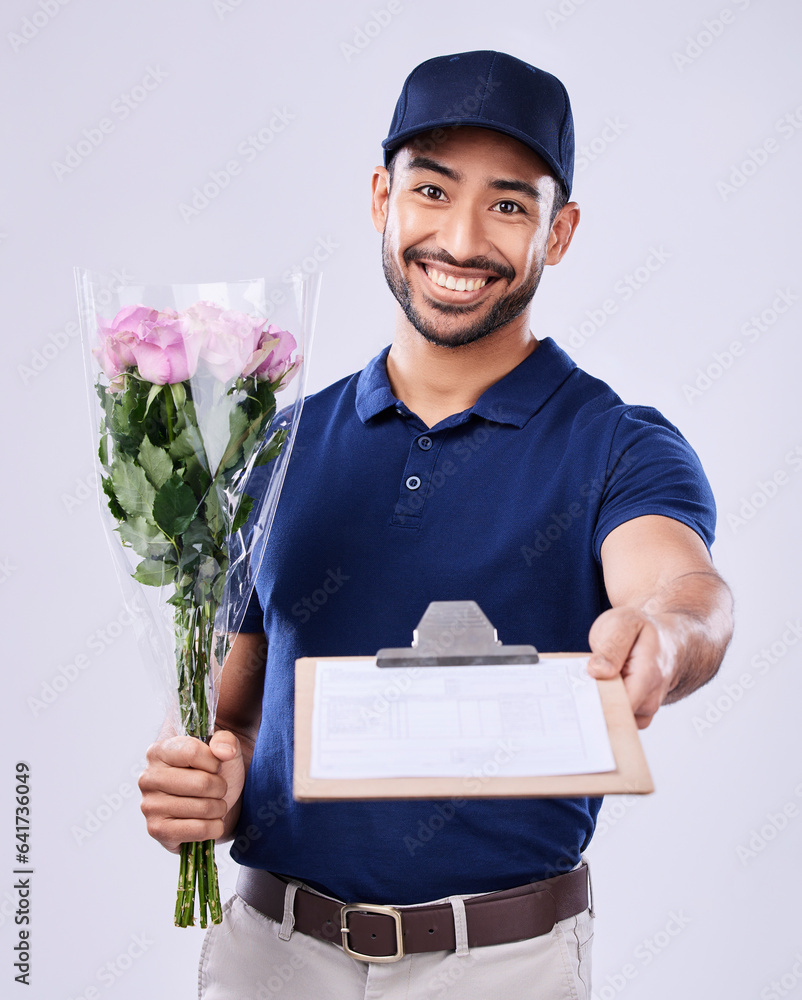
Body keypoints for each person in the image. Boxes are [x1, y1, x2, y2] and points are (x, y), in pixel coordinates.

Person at [138, 50, 734, 999]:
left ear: (561, 230)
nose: (459, 241)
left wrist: (664, 636)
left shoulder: (617, 444)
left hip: (503, 964)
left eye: (508, 204)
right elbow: (238, 715)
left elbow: (685, 590)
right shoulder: (274, 443)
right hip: (273, 954)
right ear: (382, 197)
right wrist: (202, 780)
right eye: (430, 190)